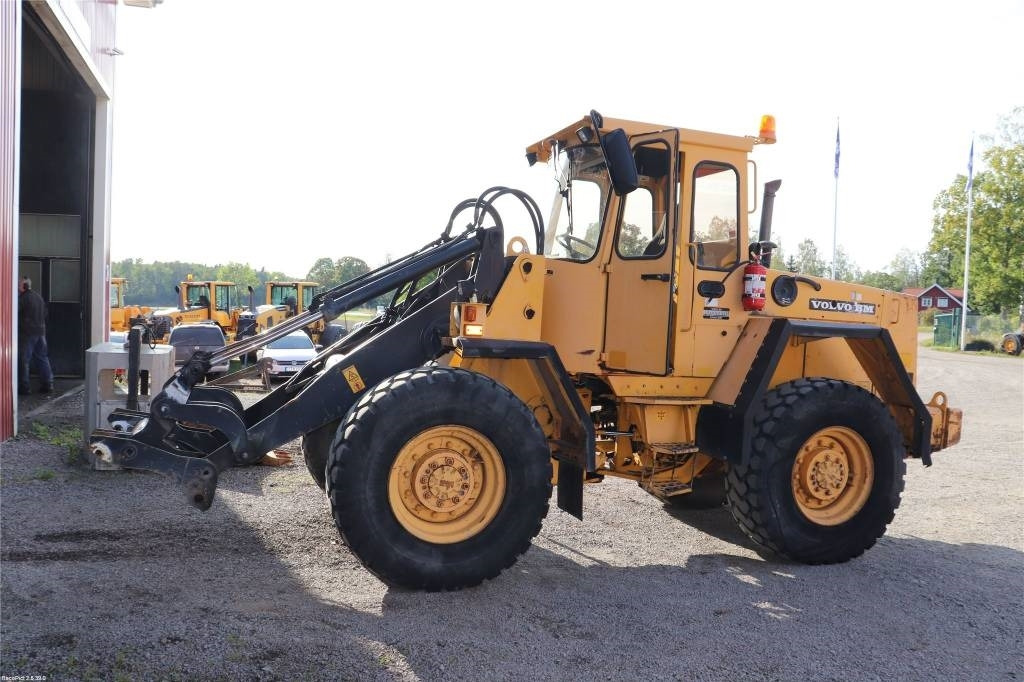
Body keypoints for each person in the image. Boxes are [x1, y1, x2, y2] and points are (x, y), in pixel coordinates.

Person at [18, 276, 54, 395]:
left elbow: (15, 312)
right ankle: (48, 384)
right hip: (41, 332)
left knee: (24, 360)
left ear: (24, 286)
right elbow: (45, 313)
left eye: (19, 284)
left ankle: (24, 387)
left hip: (28, 333)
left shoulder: (23, 298)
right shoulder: (38, 297)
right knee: (42, 358)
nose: (17, 287)